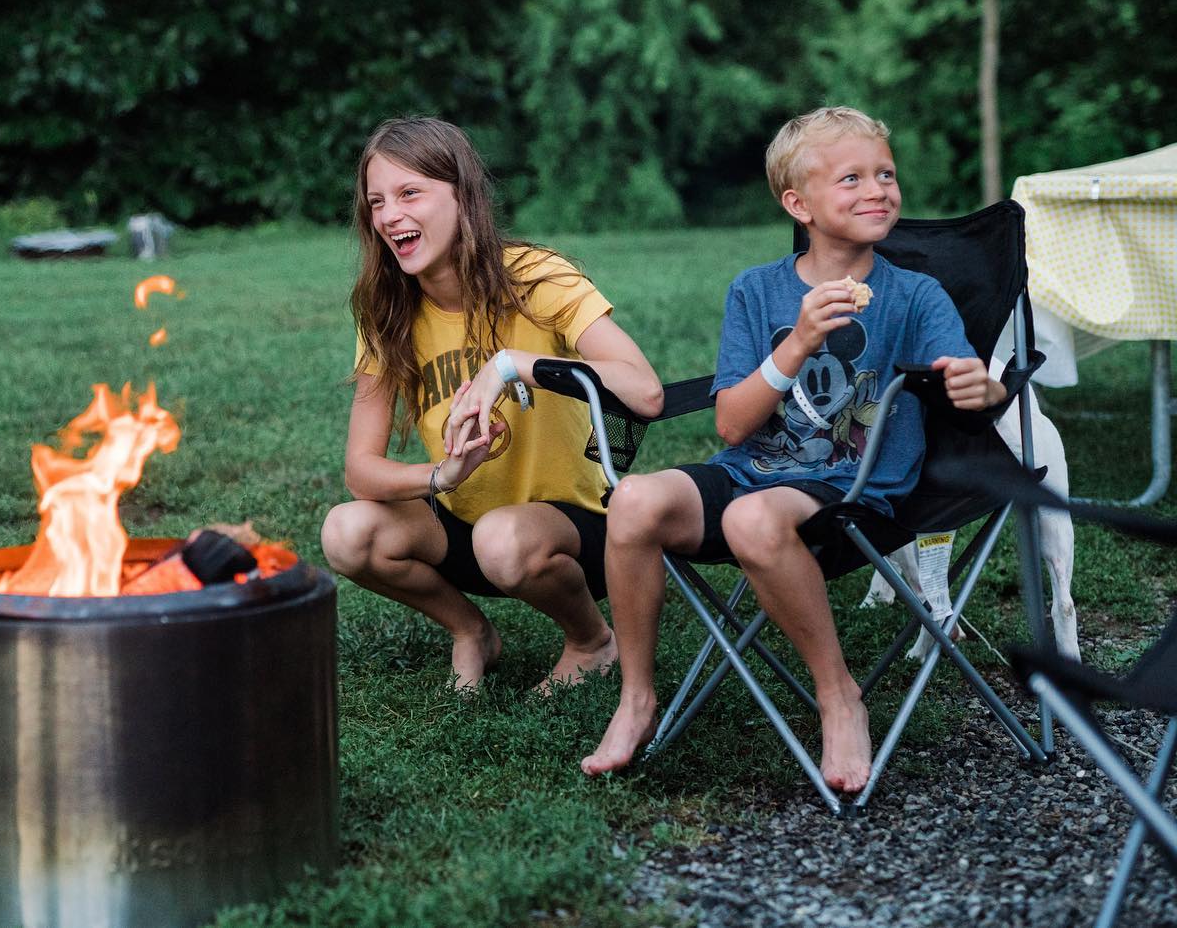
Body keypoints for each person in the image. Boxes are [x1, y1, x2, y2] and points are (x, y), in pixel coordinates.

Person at [580, 106, 1007, 791]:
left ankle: (838, 696)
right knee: (632, 499)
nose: (878, 190)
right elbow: (730, 427)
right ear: (797, 204)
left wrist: (978, 385)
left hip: (858, 492)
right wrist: (800, 340)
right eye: (852, 178)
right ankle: (637, 698)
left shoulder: (915, 295)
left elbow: (967, 385)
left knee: (754, 519)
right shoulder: (756, 291)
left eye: (885, 175)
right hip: (750, 471)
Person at [321, 117, 664, 692]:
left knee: (501, 537)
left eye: (410, 193)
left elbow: (644, 391)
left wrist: (511, 365)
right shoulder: (388, 312)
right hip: (461, 523)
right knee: (346, 532)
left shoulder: (535, 277)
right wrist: (443, 474)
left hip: (576, 527)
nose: (389, 216)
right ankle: (470, 631)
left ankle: (590, 640)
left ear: (463, 196)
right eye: (377, 202)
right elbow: (361, 470)